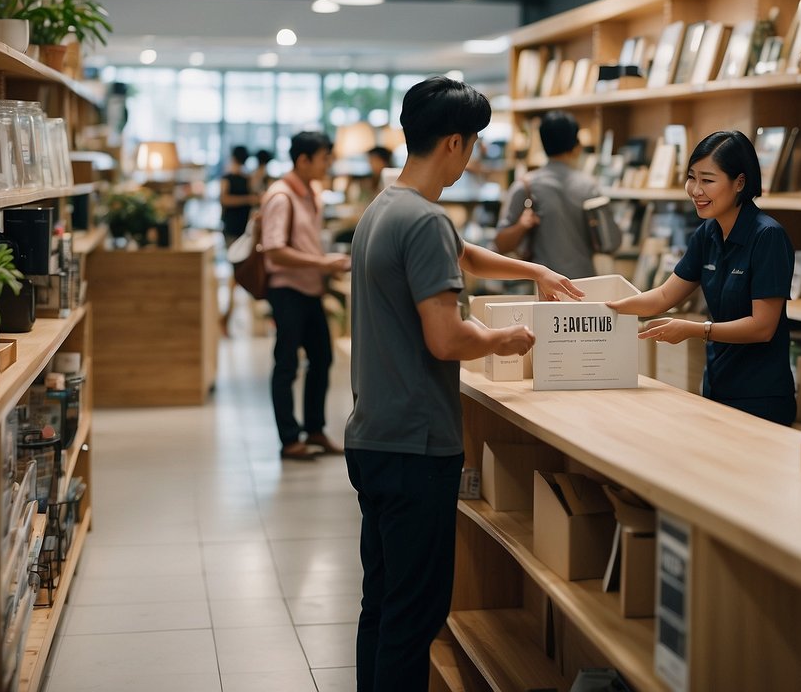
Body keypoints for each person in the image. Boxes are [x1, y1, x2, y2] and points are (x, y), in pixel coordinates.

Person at [345, 77, 583, 691]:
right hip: (417, 444)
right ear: (455, 142)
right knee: (415, 616)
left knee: (383, 603)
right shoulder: (423, 222)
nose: (473, 154)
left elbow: (462, 253)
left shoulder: (386, 207)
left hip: (373, 438)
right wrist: (504, 337)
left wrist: (534, 268)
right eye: (473, 142)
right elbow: (447, 340)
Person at [607, 130, 796, 426]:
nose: (695, 190)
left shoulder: (767, 236)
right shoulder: (707, 233)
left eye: (707, 180)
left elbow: (762, 327)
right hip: (716, 387)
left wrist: (696, 329)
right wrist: (605, 307)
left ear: (740, 183)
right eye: (691, 177)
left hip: (761, 398)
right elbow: (664, 296)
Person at [261, 131, 351, 461]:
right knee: (286, 365)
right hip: (287, 290)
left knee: (322, 359)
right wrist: (321, 263)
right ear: (304, 160)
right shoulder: (281, 196)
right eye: (325, 158)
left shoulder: (312, 192)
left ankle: (314, 430)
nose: (329, 164)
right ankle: (289, 439)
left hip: (310, 288)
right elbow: (274, 251)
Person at [494, 110, 615, 279]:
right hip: (585, 284)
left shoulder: (525, 186)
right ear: (576, 145)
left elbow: (500, 244)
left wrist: (522, 226)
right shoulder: (590, 187)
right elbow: (612, 242)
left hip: (542, 286)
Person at [219, 145, 259, 335]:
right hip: (235, 232)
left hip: (240, 232)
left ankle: (227, 316)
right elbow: (225, 200)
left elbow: (225, 200)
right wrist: (247, 199)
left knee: (238, 273)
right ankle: (226, 316)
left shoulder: (238, 178)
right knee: (237, 273)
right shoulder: (240, 179)